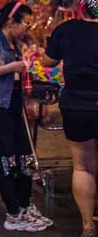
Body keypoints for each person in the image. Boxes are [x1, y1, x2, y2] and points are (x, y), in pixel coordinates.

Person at [0, 2, 52, 232]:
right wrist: (10, 68)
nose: (28, 28)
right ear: (11, 21)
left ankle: (25, 203)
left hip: (13, 104)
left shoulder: (18, 44)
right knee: (5, 159)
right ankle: (13, 212)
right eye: (26, 23)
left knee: (25, 156)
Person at [42, 15, 98, 237]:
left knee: (83, 166)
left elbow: (48, 62)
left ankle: (88, 227)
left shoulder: (68, 28)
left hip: (77, 106)